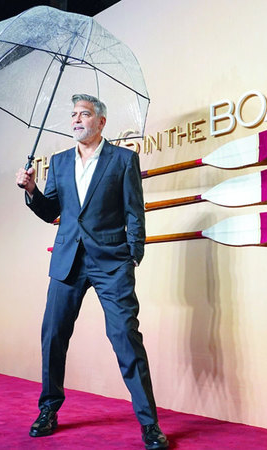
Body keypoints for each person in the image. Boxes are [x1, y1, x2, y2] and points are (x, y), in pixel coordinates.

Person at [15, 94, 169, 450]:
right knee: (53, 335)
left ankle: (149, 424)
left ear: (101, 122)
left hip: (111, 263)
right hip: (68, 260)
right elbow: (51, 211)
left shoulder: (123, 160)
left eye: (84, 114)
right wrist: (32, 189)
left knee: (126, 337)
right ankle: (48, 409)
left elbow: (134, 212)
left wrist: (133, 256)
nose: (76, 120)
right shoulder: (59, 161)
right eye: (73, 114)